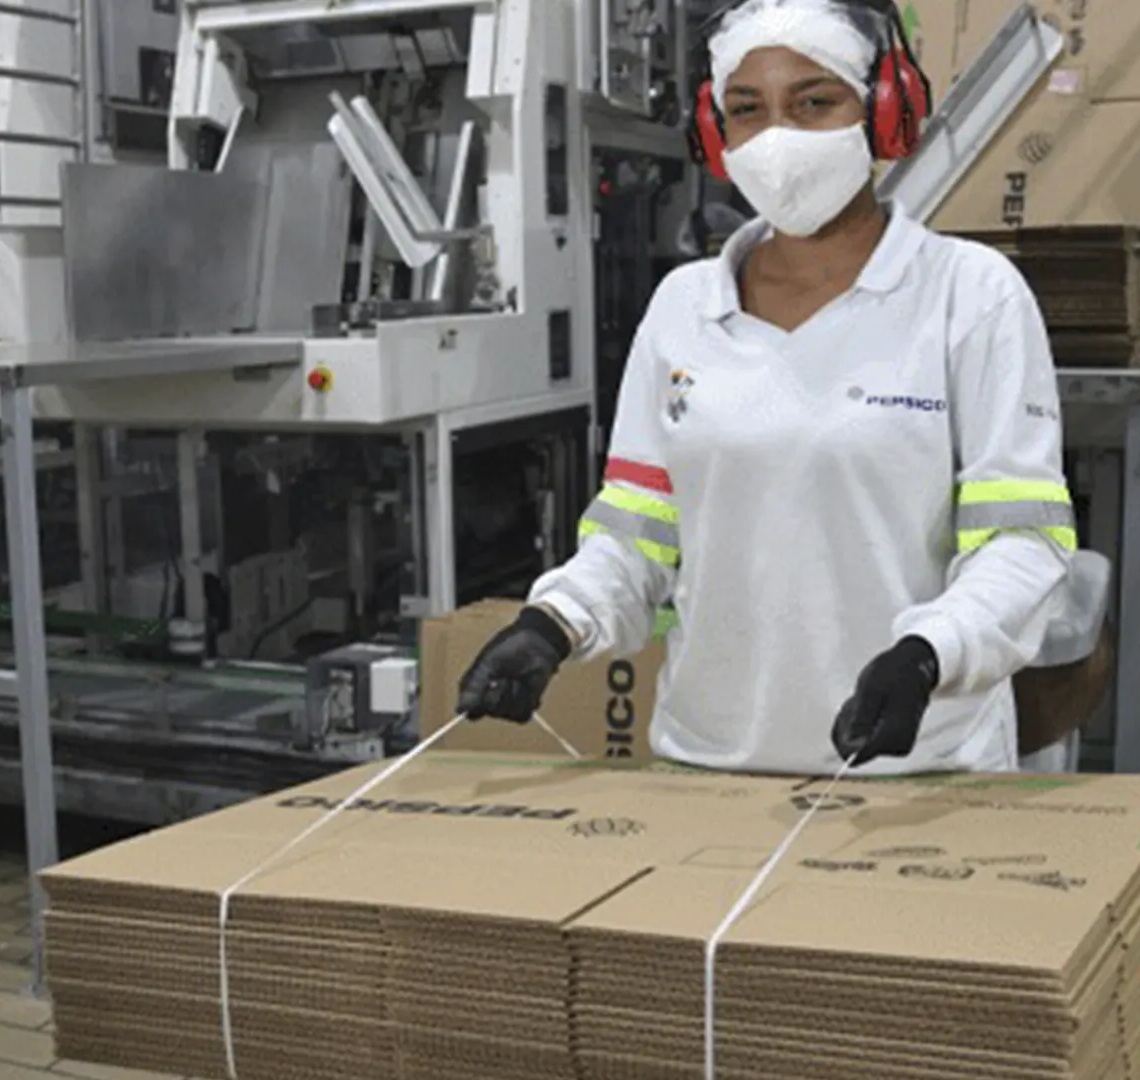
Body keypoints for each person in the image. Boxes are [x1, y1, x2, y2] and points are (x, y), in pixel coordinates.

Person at [457, 0, 1078, 776]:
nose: (778, 137)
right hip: (709, 765)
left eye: (815, 102)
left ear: (883, 111)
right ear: (716, 132)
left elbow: (1022, 540)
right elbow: (638, 534)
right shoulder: (684, 306)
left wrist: (929, 654)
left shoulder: (970, 295)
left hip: (918, 770)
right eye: (747, 109)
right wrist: (554, 623)